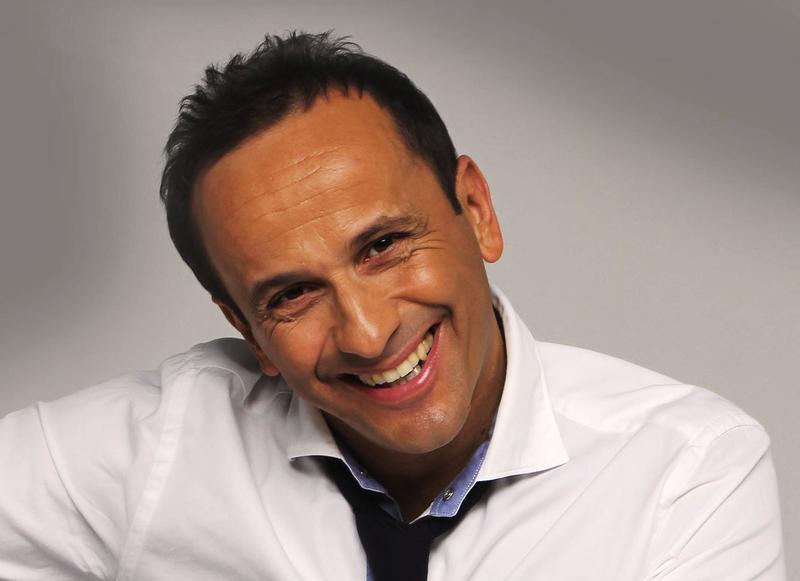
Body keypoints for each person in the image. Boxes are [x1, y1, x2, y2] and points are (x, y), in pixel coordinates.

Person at [0, 31, 785, 581]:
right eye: (292, 293)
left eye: (382, 245)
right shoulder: (165, 446)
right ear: (246, 329)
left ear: (476, 210)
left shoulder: (683, 470)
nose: (370, 333)